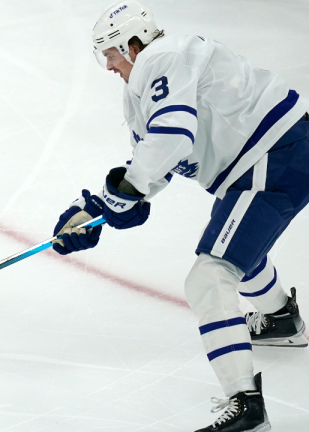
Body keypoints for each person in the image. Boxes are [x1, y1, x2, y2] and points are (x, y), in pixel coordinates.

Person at [52, 1, 309, 431]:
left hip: (275, 157)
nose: (108, 65)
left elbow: (172, 137)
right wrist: (95, 210)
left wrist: (124, 195)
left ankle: (246, 406)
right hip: (270, 159)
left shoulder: (161, 59)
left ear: (132, 45)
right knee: (236, 248)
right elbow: (155, 165)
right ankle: (281, 318)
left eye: (111, 54)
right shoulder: (147, 85)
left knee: (210, 277)